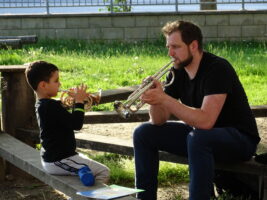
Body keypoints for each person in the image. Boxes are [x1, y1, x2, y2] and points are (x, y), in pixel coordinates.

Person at [133, 20, 260, 200]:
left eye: (176, 47)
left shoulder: (217, 68)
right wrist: (155, 99)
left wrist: (165, 99)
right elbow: (158, 121)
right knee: (143, 132)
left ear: (193, 46)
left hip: (240, 139)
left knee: (198, 137)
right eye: (168, 47)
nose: (170, 53)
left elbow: (206, 121)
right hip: (203, 138)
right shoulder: (176, 71)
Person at [25, 60, 109, 183]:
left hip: (58, 157)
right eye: (56, 80)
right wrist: (79, 101)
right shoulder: (50, 106)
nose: (60, 84)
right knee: (103, 172)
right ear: (43, 85)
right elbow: (76, 124)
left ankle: (82, 174)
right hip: (58, 161)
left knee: (85, 163)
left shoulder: (43, 104)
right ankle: (89, 195)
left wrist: (75, 102)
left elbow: (65, 119)